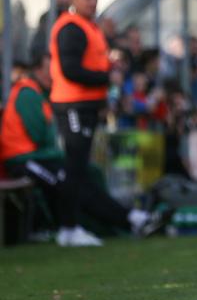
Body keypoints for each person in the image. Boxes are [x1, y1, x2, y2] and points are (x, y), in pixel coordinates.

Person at [0, 55, 159, 245]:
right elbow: (40, 135)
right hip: (22, 160)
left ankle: (129, 219)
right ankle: (72, 227)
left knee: (85, 173)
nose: (54, 74)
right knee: (67, 181)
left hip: (40, 157)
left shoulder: (40, 94)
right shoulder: (27, 94)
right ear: (38, 69)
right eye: (50, 68)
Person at [48, 0, 115, 246]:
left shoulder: (90, 27)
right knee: (73, 167)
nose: (93, 1)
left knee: (79, 167)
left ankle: (70, 226)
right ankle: (68, 227)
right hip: (72, 105)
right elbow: (71, 70)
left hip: (86, 105)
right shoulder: (71, 28)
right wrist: (106, 77)